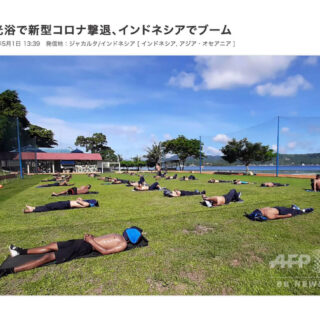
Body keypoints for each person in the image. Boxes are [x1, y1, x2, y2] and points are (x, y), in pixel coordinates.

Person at [0, 232, 129, 278]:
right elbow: (103, 240)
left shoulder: (122, 244)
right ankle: (21, 251)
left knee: (48, 257)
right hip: (83, 242)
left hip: (86, 247)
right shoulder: (119, 236)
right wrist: (91, 237)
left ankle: (8, 271)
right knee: (50, 245)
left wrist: (91, 241)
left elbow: (105, 252)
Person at [23, 198, 99, 213]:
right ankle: (34, 208)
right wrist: (80, 200)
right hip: (66, 203)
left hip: (67, 205)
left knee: (50, 207)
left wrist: (80, 200)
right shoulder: (89, 203)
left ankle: (33, 210)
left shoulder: (89, 204)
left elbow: (85, 204)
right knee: (50, 205)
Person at [245, 205, 314, 221]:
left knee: (294, 212)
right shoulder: (260, 209)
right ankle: (303, 210)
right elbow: (277, 216)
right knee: (292, 211)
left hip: (280, 210)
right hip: (277, 208)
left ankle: (300, 210)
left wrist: (287, 216)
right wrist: (287, 215)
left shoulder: (268, 215)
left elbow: (277, 216)